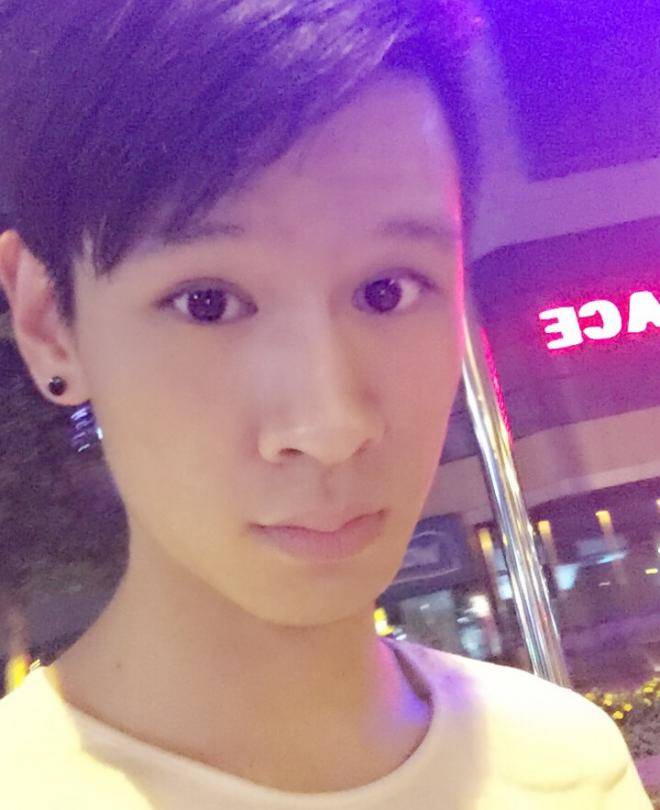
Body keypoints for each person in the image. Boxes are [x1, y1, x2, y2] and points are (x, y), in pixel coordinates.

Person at [0, 1, 651, 807]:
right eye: (208, 302)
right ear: (48, 324)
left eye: (387, 290)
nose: (332, 424)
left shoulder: (567, 767)